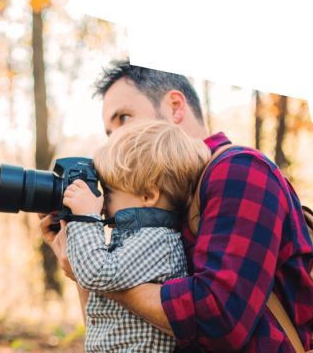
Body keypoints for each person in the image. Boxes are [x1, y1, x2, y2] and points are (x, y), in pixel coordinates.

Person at [38, 60, 313, 353]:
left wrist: (96, 271)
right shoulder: (154, 206)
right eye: (110, 133)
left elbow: (219, 318)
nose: (117, 139)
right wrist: (79, 260)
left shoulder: (239, 170)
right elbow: (112, 335)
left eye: (123, 118)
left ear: (175, 107)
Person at [59, 118, 210, 352]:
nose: (102, 203)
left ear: (148, 196)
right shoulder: (137, 236)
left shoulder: (157, 239)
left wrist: (86, 217)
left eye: (108, 192)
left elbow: (97, 274)